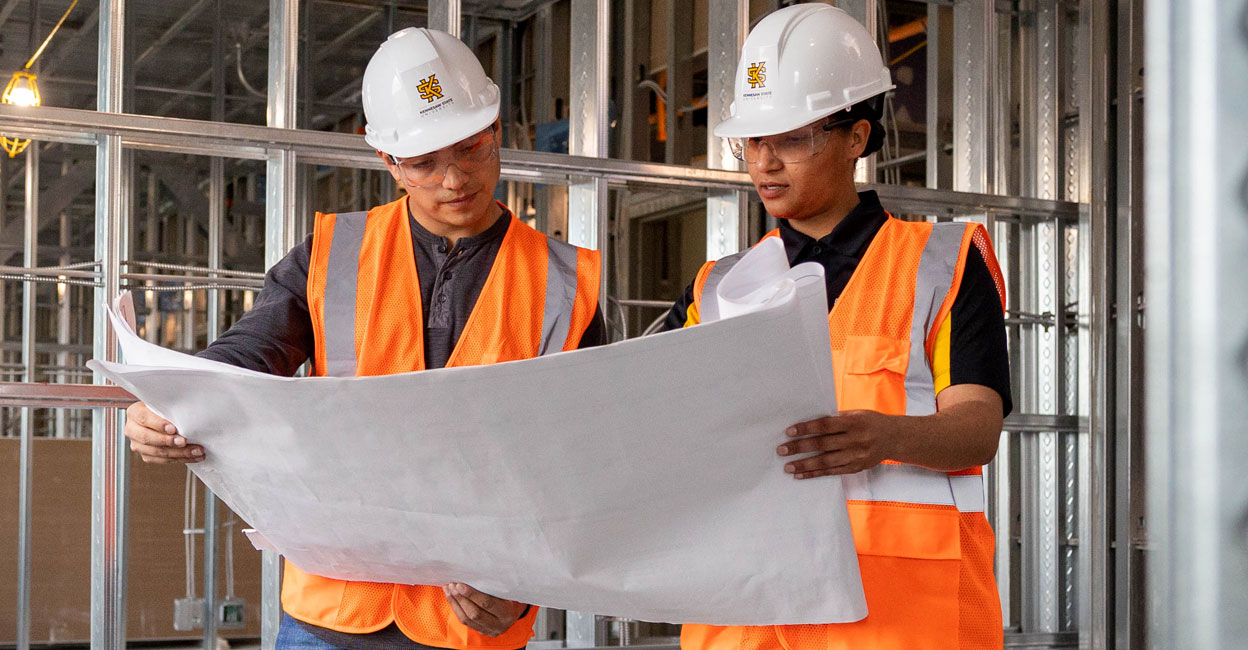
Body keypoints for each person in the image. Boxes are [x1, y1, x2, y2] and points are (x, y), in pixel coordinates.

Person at [121, 27, 611, 650]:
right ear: (386, 161)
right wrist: (171, 404)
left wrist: (526, 588)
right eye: (424, 162)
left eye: (470, 149)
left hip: (475, 613)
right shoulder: (334, 254)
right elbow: (246, 357)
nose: (454, 178)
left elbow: (589, 461)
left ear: (496, 132)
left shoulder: (568, 282)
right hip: (332, 608)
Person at [658, 5, 1012, 648]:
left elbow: (977, 430)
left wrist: (886, 436)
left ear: (857, 135)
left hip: (902, 622)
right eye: (752, 141)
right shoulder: (713, 289)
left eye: (792, 138)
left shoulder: (943, 263)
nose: (764, 163)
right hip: (746, 618)